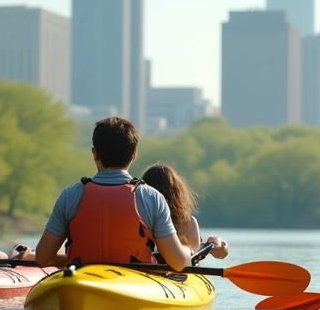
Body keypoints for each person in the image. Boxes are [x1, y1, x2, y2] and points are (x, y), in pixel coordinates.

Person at [19, 117, 193, 272]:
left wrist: (71, 261)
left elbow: (42, 257)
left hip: (81, 281)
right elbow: (178, 263)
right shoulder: (152, 198)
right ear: (134, 155)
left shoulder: (69, 195)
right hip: (135, 284)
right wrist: (189, 250)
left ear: (95, 154)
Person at [140, 163, 228, 262]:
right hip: (175, 269)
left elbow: (220, 254)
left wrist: (217, 243)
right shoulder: (188, 224)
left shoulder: (137, 219)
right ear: (176, 193)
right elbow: (197, 250)